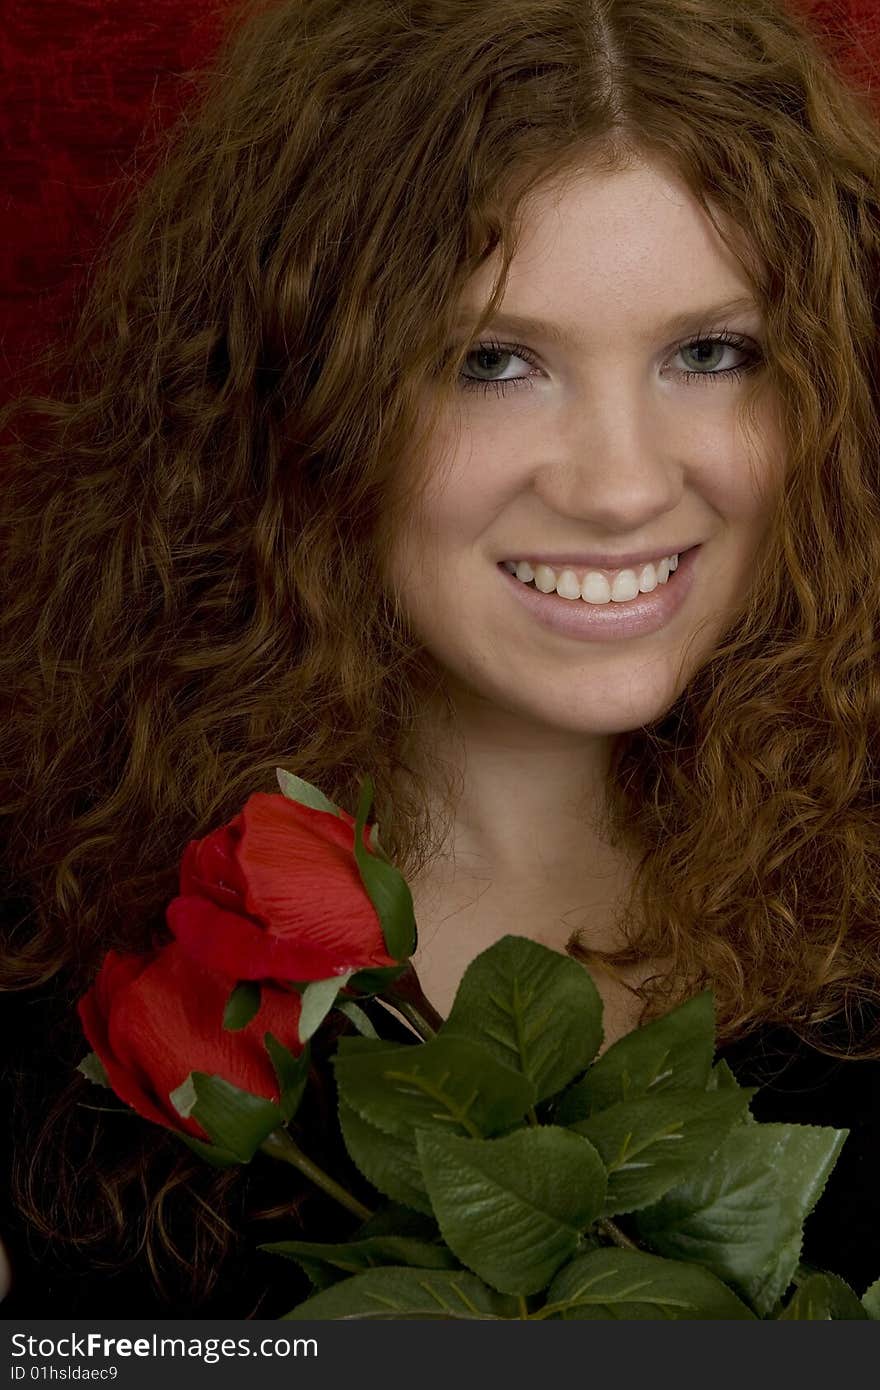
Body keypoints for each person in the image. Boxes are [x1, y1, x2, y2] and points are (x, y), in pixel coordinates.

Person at [2, 0, 880, 1318]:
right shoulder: (44, 957)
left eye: (712, 352)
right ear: (296, 392)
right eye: (494, 361)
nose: (622, 485)